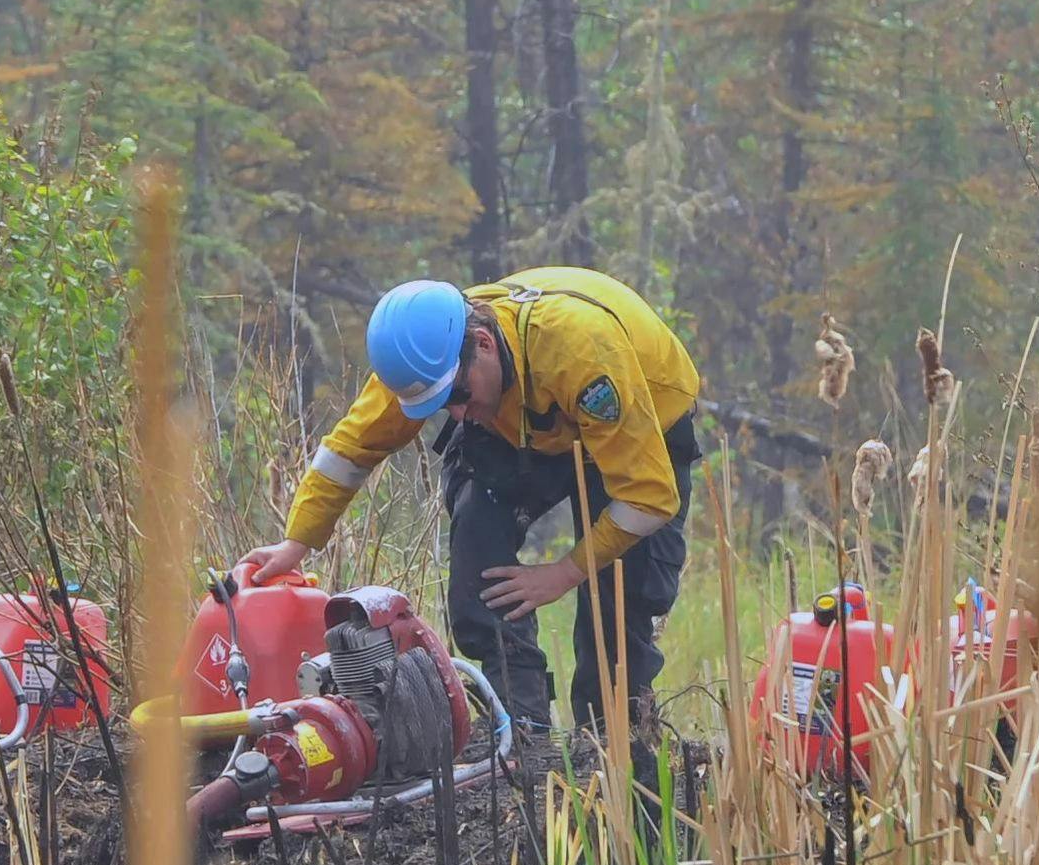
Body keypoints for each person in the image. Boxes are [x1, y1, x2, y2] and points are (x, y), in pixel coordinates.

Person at [240, 267, 702, 742]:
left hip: (640, 420)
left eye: (457, 396)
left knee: (618, 597)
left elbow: (647, 498)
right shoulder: (419, 356)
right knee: (478, 541)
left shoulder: (581, 355)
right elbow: (348, 452)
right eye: (441, 406)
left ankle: (615, 740)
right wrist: (297, 541)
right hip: (527, 418)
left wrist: (564, 572)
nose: (457, 414)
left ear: (483, 343)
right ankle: (523, 734)